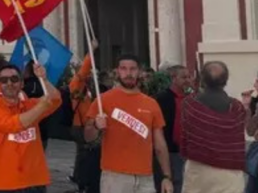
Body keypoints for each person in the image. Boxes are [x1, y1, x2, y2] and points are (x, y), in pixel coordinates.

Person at [84, 54, 174, 193]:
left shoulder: (151, 104)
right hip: (114, 176)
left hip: (145, 176)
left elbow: (160, 144)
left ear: (139, 72)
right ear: (117, 72)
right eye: (124, 69)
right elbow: (88, 137)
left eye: (133, 69)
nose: (128, 73)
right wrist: (96, 125)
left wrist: (167, 176)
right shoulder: (103, 101)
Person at [0, 62, 61, 192]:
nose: (9, 83)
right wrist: (40, 107)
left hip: (35, 180)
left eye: (14, 79)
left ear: (22, 83)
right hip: (5, 183)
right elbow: (13, 125)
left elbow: (56, 99)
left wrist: (44, 79)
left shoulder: (30, 105)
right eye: (4, 80)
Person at [179, 61, 246, 193]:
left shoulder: (190, 104)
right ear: (226, 80)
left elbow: (185, 135)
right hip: (229, 170)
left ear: (202, 79)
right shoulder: (237, 107)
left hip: (198, 168)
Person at [70, 44, 102, 193]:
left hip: (86, 124)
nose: (89, 75)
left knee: (83, 153)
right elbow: (83, 70)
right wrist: (91, 51)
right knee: (84, 154)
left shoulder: (85, 87)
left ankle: (81, 178)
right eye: (88, 73)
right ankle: (82, 179)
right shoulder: (76, 84)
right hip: (80, 125)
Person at [154, 65, 190, 193]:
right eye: (184, 77)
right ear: (174, 78)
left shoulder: (190, 98)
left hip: (186, 151)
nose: (187, 80)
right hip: (168, 150)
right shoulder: (162, 98)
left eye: (189, 77)